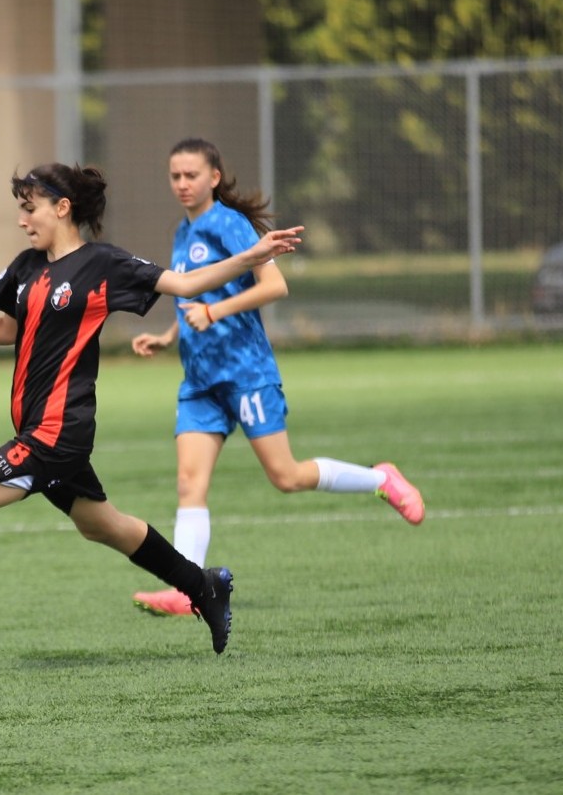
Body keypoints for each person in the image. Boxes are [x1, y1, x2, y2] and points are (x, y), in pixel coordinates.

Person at [0, 161, 303, 669]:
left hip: (57, 432)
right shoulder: (26, 267)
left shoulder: (103, 265)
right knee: (102, 526)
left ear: (62, 208)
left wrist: (253, 255)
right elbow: (8, 330)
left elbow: (187, 284)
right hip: (36, 428)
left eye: (31, 208)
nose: (24, 220)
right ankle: (205, 586)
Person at [128, 137, 425, 618]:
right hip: (201, 380)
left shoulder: (229, 223)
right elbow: (195, 298)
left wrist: (216, 310)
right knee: (189, 483)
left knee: (285, 476)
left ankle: (380, 479)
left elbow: (274, 285)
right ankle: (189, 589)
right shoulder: (183, 232)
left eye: (191, 175)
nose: (182, 184)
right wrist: (169, 335)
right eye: (175, 176)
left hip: (245, 372)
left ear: (214, 177)